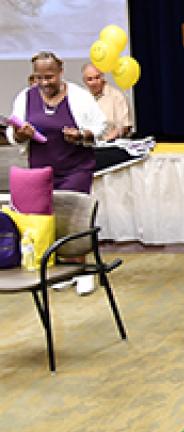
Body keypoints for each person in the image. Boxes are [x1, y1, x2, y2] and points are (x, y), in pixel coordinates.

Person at [7, 51, 106, 296]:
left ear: (61, 71)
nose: (44, 83)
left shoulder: (79, 97)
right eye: (39, 77)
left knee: (73, 218)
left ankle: (82, 269)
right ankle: (62, 269)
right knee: (47, 219)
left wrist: (82, 135)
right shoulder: (25, 98)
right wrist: (21, 134)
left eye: (49, 77)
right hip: (41, 170)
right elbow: (14, 133)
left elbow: (101, 126)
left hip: (75, 167)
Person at [81, 63, 133, 141]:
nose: (94, 82)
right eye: (90, 79)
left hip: (110, 146)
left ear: (102, 77)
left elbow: (124, 127)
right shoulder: (82, 97)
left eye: (97, 77)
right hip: (87, 146)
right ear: (84, 81)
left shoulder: (116, 96)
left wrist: (105, 140)